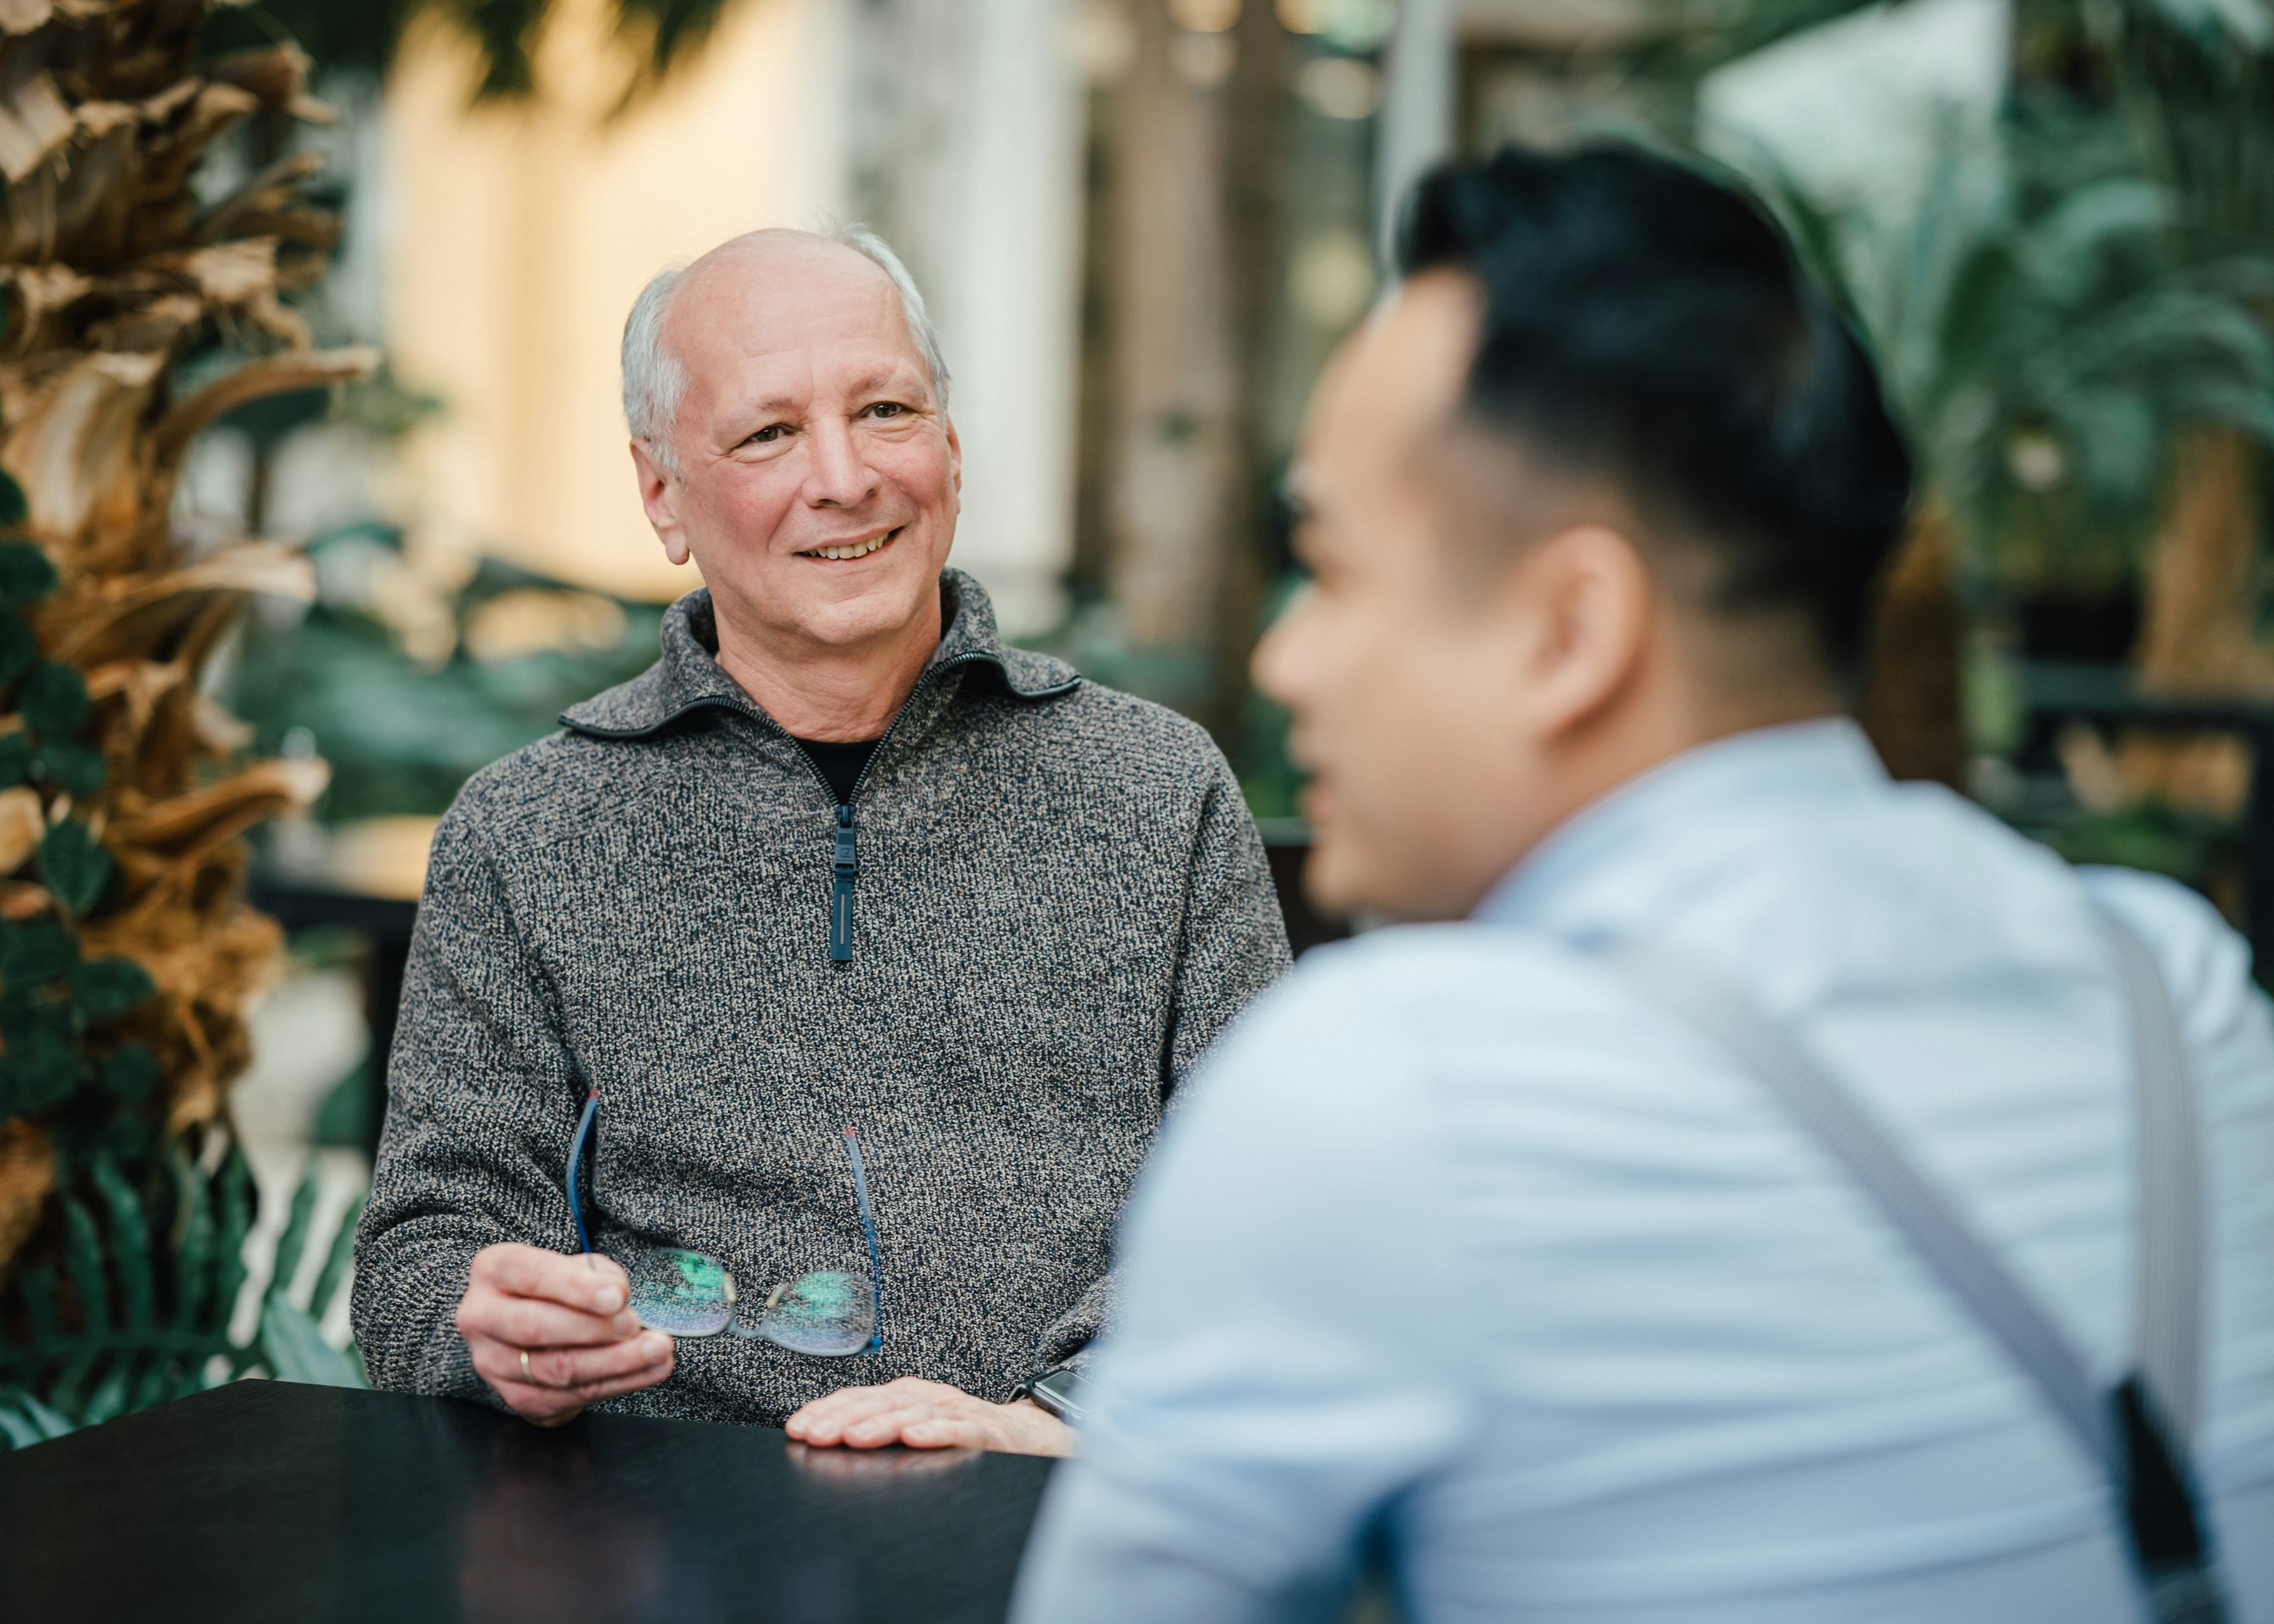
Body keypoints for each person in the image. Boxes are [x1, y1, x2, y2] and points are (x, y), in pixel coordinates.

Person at [1011, 146, 2274, 1619]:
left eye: (1333, 569)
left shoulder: (1388, 1089)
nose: (1288, 661)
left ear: (1571, 631)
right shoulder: (2176, 990)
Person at [351, 226, 1290, 1454]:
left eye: (886, 410)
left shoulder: (1160, 792)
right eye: (768, 434)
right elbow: (421, 1258)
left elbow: (1274, 1201)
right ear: (660, 493)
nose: (844, 478)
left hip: (1064, 1501)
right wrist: (500, 1333)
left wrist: (1056, 1420)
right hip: (661, 1528)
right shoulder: (527, 831)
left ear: (951, 451)